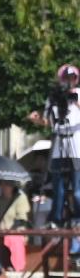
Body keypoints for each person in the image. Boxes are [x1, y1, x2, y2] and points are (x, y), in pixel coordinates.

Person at [27, 64, 79, 226]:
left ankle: (77, 219)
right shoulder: (54, 97)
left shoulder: (78, 94)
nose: (69, 82)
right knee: (59, 190)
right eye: (66, 78)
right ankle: (56, 220)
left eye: (72, 78)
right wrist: (37, 120)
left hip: (77, 149)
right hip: (58, 147)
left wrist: (75, 101)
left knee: (77, 192)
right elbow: (48, 122)